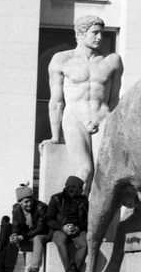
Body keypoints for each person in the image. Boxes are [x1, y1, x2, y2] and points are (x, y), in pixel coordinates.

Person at [44, 15, 123, 187]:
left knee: (105, 175)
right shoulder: (62, 59)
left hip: (103, 118)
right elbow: (56, 102)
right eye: (94, 33)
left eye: (101, 33)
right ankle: (73, 212)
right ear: (80, 34)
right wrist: (55, 136)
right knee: (84, 172)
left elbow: (114, 100)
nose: (99, 37)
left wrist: (114, 126)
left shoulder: (112, 60)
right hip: (75, 118)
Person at [48, 176, 89, 272]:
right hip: (59, 229)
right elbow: (49, 219)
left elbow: (88, 219)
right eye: (80, 188)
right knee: (62, 242)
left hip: (77, 229)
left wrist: (78, 227)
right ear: (72, 188)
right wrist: (63, 227)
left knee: (84, 244)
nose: (82, 190)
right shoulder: (56, 199)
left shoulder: (83, 200)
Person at [10, 184, 50, 272]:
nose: (29, 204)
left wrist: (22, 237)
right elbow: (16, 224)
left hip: (41, 234)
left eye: (31, 200)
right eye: (26, 202)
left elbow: (41, 228)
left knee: (30, 261)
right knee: (28, 262)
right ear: (19, 203)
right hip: (26, 237)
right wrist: (14, 234)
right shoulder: (16, 208)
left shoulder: (41, 207)